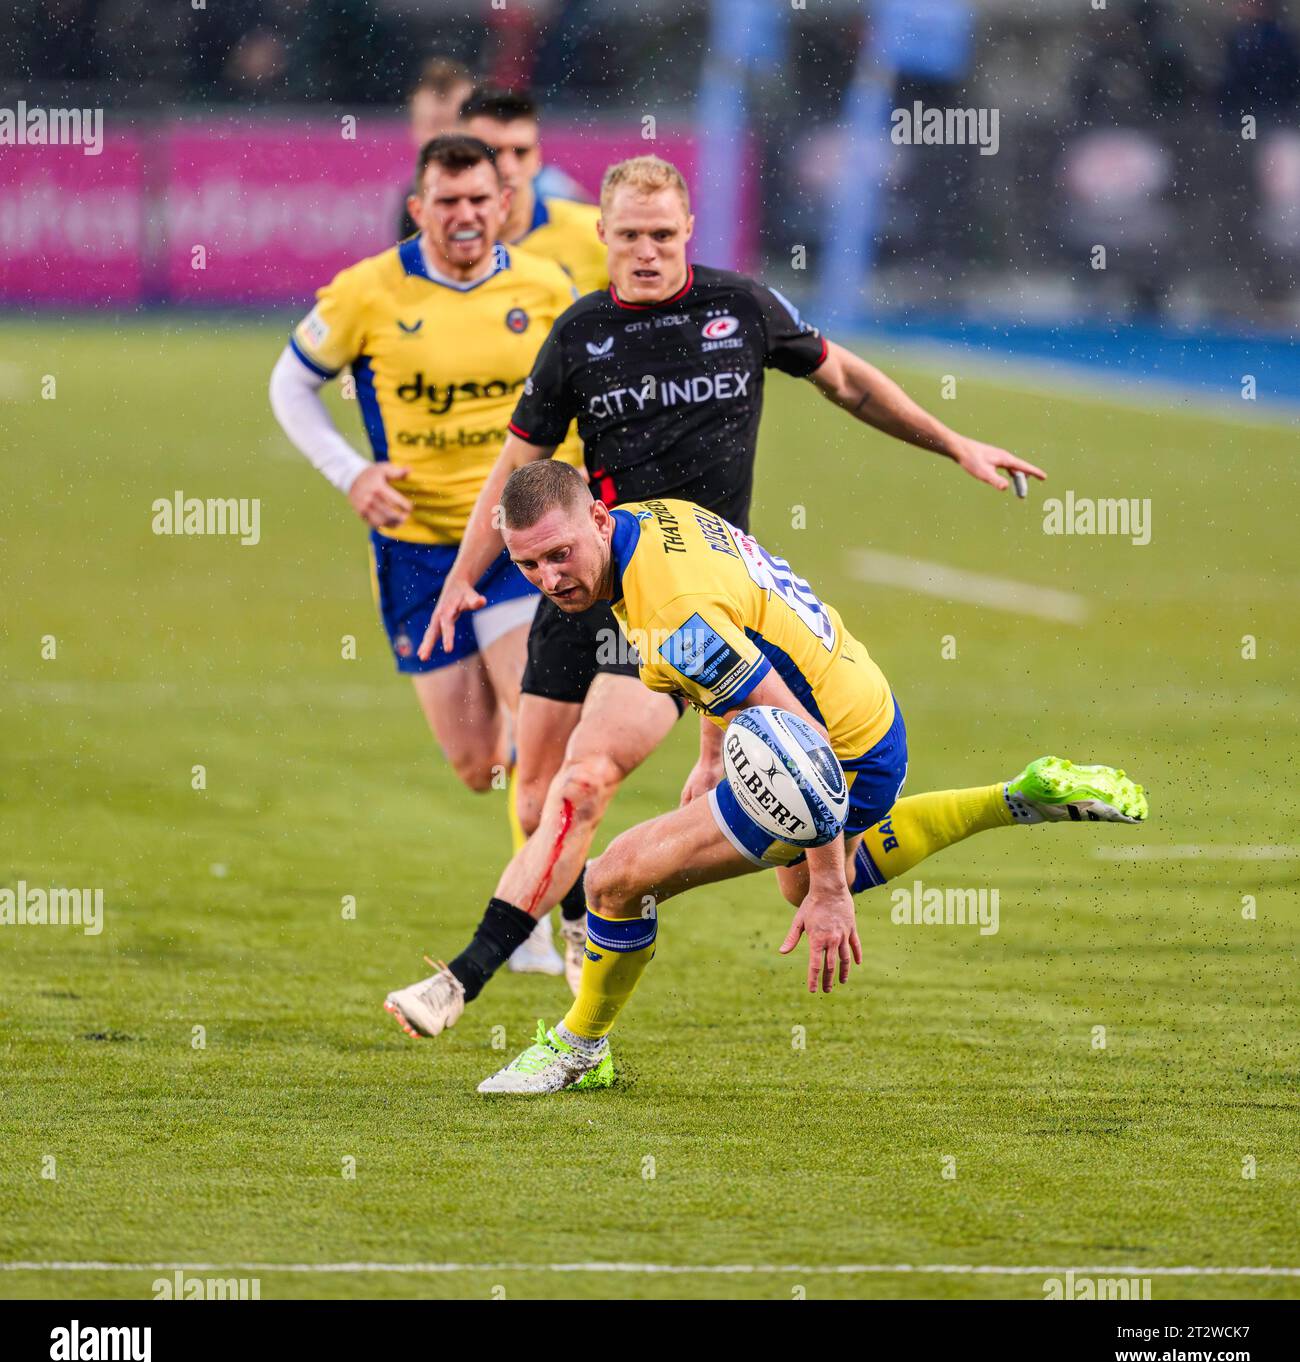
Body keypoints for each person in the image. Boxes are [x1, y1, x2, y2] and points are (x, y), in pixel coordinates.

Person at [381, 154, 1047, 1041]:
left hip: (681, 596)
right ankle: (585, 922)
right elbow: (518, 471)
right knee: (535, 793)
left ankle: (474, 979)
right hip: (577, 576)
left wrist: (952, 440)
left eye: (662, 234)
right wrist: (466, 573)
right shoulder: (580, 336)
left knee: (586, 785)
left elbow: (846, 382)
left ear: (688, 229)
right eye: (628, 237)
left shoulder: (741, 309)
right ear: (603, 238)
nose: (647, 252)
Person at [475, 464, 1148, 1093]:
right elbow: (740, 630)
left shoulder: (670, 615)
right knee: (794, 880)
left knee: (614, 879)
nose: (549, 577)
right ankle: (1018, 800)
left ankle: (578, 1050)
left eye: (558, 554)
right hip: (865, 708)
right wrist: (711, 759)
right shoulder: (656, 521)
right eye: (528, 564)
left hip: (833, 752)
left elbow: (802, 748)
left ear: (595, 516)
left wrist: (831, 892)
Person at [270, 137, 580, 972]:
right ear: (420, 208)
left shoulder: (546, 289)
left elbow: (586, 392)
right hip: (415, 550)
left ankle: (551, 921)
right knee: (478, 763)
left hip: (520, 545)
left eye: (480, 199)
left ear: (502, 202)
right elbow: (289, 382)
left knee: (538, 723)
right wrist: (350, 473)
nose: (467, 215)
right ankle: (535, 826)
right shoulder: (368, 291)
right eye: (448, 202)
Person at [459, 87, 608, 294]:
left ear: (537, 156)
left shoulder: (599, 235)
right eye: (491, 152)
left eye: (521, 152)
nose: (508, 168)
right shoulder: (430, 251)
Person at [397, 57, 475, 241]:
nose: (443, 137)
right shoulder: (414, 202)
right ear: (413, 130)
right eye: (432, 125)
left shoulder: (536, 191)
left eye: (453, 122)